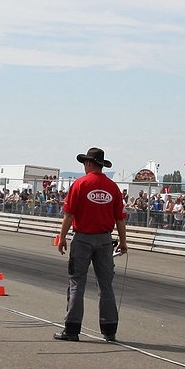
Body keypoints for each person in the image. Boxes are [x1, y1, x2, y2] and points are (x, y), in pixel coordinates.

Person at [54, 147, 128, 343]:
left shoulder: (80, 184)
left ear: (88, 163)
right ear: (102, 165)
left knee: (77, 283)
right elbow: (120, 219)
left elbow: (69, 214)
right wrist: (123, 241)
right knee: (106, 286)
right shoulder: (113, 187)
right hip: (105, 240)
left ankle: (72, 329)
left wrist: (61, 238)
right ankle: (109, 329)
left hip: (83, 238)